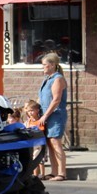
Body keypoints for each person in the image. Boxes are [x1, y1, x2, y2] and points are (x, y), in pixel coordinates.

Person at [37, 53, 67, 182]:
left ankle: (62, 172)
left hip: (56, 115)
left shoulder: (58, 79)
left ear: (53, 65)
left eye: (45, 65)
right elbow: (41, 98)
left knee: (55, 142)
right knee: (49, 143)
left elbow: (56, 100)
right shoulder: (47, 79)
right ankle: (54, 172)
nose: (43, 67)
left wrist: (45, 115)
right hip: (46, 115)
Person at [23, 100, 47, 180]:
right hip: (31, 144)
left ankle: (41, 174)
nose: (30, 113)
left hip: (39, 143)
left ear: (37, 110)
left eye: (32, 110)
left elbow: (41, 131)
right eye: (29, 111)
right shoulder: (28, 122)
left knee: (39, 160)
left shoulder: (39, 121)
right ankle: (35, 175)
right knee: (33, 159)